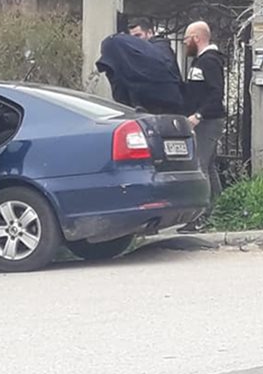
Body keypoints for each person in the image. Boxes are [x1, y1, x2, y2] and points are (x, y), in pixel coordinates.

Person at [178, 20, 226, 233]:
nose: (185, 43)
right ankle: (219, 208)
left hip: (208, 121)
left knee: (200, 165)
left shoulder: (210, 61)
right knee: (209, 166)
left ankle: (201, 218)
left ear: (196, 38)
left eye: (187, 39)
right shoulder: (200, 61)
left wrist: (199, 114)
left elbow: (217, 92)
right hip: (204, 120)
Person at [96, 32, 184, 115]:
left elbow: (120, 97)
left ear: (149, 32)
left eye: (138, 35)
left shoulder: (137, 62)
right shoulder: (148, 58)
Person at [128, 19, 182, 83]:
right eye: (132, 37)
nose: (135, 40)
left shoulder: (160, 48)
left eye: (138, 35)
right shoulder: (156, 47)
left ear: (150, 33)